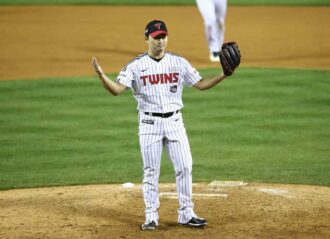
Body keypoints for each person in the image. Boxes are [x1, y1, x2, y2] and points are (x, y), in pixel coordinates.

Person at [92, 20, 239, 231]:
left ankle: (186, 213)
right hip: (149, 123)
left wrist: (223, 75)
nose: (161, 41)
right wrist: (101, 75)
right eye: (156, 37)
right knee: (151, 171)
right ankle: (151, 216)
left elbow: (200, 84)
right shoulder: (136, 66)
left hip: (175, 122)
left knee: (185, 166)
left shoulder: (178, 62)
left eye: (163, 37)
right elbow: (116, 90)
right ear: (147, 38)